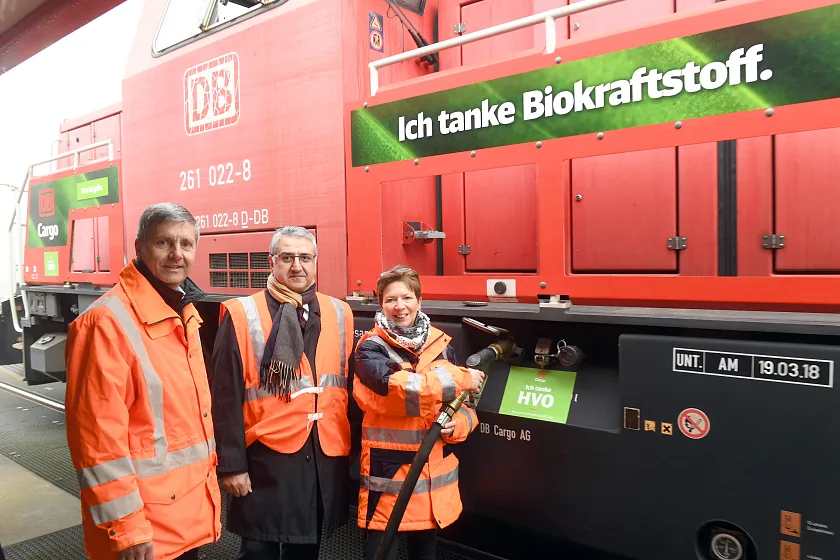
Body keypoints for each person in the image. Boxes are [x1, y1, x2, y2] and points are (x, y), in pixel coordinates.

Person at [64, 203, 222, 560]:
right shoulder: (105, 323)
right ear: (139, 247)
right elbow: (97, 443)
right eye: (164, 243)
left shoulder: (182, 312)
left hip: (183, 516)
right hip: (144, 531)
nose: (177, 254)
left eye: (186, 244)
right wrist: (128, 528)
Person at [208, 226, 357, 560]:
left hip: (321, 454)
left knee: (305, 551)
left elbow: (350, 387)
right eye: (287, 257)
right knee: (258, 551)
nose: (297, 266)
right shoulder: (242, 313)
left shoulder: (339, 312)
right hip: (264, 458)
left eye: (305, 257)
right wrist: (231, 466)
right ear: (271, 262)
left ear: (315, 262)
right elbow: (224, 397)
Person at [353, 264, 484, 560]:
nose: (399, 306)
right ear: (381, 304)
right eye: (390, 299)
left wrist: (456, 426)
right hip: (390, 475)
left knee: (424, 551)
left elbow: (464, 407)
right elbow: (401, 393)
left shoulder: (440, 345)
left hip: (431, 475)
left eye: (407, 298)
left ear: (419, 301)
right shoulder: (369, 350)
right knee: (380, 551)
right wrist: (461, 378)